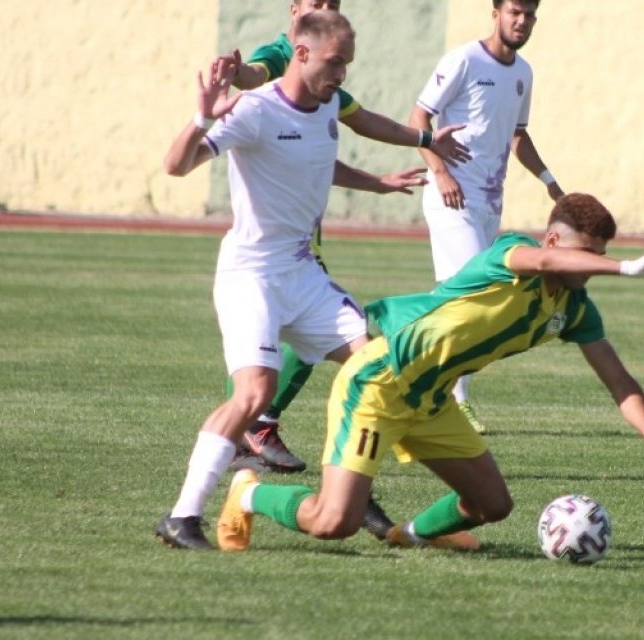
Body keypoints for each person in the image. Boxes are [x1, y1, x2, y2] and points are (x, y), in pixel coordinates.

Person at [213, 193, 644, 554]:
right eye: (586, 254)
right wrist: (628, 268)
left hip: (432, 401)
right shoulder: (510, 257)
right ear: (553, 241)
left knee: (493, 506)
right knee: (334, 522)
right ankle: (250, 493)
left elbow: (617, 377)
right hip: (380, 385)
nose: (590, 267)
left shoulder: (573, 308)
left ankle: (410, 535)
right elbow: (544, 260)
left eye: (599, 255)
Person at [155, 10, 420, 550]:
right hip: (251, 273)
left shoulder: (324, 107)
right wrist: (201, 118)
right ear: (301, 53)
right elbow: (175, 165)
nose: (342, 73)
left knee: (377, 368)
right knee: (255, 393)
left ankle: (349, 487)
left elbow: (315, 162)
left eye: (347, 62)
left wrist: (378, 184)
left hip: (300, 271)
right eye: (334, 61)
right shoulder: (253, 110)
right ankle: (182, 517)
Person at [219, 0, 471, 474]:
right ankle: (255, 425)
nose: (324, 8)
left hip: (299, 233)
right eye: (315, 2)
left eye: (332, 3)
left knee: (328, 335)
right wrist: (236, 77)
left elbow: (359, 118)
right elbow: (256, 76)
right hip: (267, 246)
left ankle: (258, 424)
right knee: (296, 344)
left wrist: (413, 149)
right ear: (294, 11)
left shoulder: (329, 70)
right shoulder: (285, 51)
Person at [408, 0, 564, 433]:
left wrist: (550, 182)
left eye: (530, 14)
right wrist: (439, 173)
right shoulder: (463, 59)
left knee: (454, 297)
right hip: (451, 197)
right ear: (495, 12)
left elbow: (517, 135)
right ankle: (452, 400)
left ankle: (415, 370)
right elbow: (418, 117)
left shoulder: (523, 73)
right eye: (515, 11)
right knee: (476, 297)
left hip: (488, 202)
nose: (522, 20)